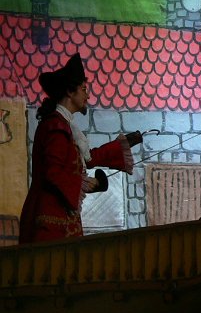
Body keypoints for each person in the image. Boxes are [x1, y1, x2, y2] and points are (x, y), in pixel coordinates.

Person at [18, 53, 142, 244]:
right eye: (83, 89)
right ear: (70, 92)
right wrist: (82, 183)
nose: (87, 95)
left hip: (59, 218)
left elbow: (87, 159)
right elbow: (53, 172)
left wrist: (125, 143)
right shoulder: (56, 126)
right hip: (50, 221)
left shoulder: (64, 126)